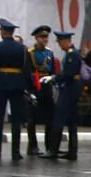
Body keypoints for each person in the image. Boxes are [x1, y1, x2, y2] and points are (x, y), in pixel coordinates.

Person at [0, 18, 31, 162]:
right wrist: (28, 88)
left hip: (0, 84)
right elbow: (26, 69)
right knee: (16, 120)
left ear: (3, 32)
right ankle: (15, 152)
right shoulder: (22, 48)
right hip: (17, 84)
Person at [48, 30, 81, 160]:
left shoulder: (72, 54)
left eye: (60, 42)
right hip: (71, 88)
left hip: (69, 89)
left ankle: (53, 150)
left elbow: (68, 73)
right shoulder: (70, 53)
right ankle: (72, 151)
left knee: (59, 118)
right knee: (72, 121)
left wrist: (54, 78)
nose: (59, 45)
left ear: (65, 41)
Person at [27, 26, 55, 156]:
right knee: (31, 118)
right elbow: (27, 71)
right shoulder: (30, 52)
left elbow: (52, 70)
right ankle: (32, 146)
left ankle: (49, 145)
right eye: (41, 37)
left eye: (46, 37)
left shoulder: (49, 53)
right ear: (36, 38)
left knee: (50, 117)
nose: (44, 40)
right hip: (35, 85)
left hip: (46, 86)